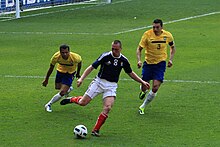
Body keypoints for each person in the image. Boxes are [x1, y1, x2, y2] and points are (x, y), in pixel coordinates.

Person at [60, 40, 150, 136]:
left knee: (107, 107)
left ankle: (96, 130)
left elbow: (130, 73)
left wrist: (142, 82)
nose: (114, 51)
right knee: (83, 103)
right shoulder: (105, 56)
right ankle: (72, 99)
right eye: (112, 49)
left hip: (111, 86)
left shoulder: (124, 60)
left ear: (120, 49)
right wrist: (81, 79)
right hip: (99, 82)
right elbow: (91, 67)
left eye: (116, 49)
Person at [136, 19, 176, 115]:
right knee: (145, 86)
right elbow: (139, 49)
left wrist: (170, 59)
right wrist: (139, 60)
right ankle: (143, 91)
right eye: (153, 27)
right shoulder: (147, 35)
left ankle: (143, 106)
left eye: (157, 27)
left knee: (155, 87)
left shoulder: (167, 35)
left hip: (160, 64)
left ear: (162, 27)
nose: (155, 29)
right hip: (148, 63)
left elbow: (173, 47)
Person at [42, 44, 82, 112]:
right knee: (58, 88)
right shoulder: (56, 57)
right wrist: (46, 79)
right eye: (62, 53)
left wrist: (78, 73)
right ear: (60, 52)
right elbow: (51, 68)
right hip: (60, 72)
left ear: (69, 52)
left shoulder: (75, 57)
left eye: (66, 52)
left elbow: (80, 63)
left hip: (70, 73)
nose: (65, 54)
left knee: (62, 92)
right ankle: (69, 89)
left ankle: (48, 104)